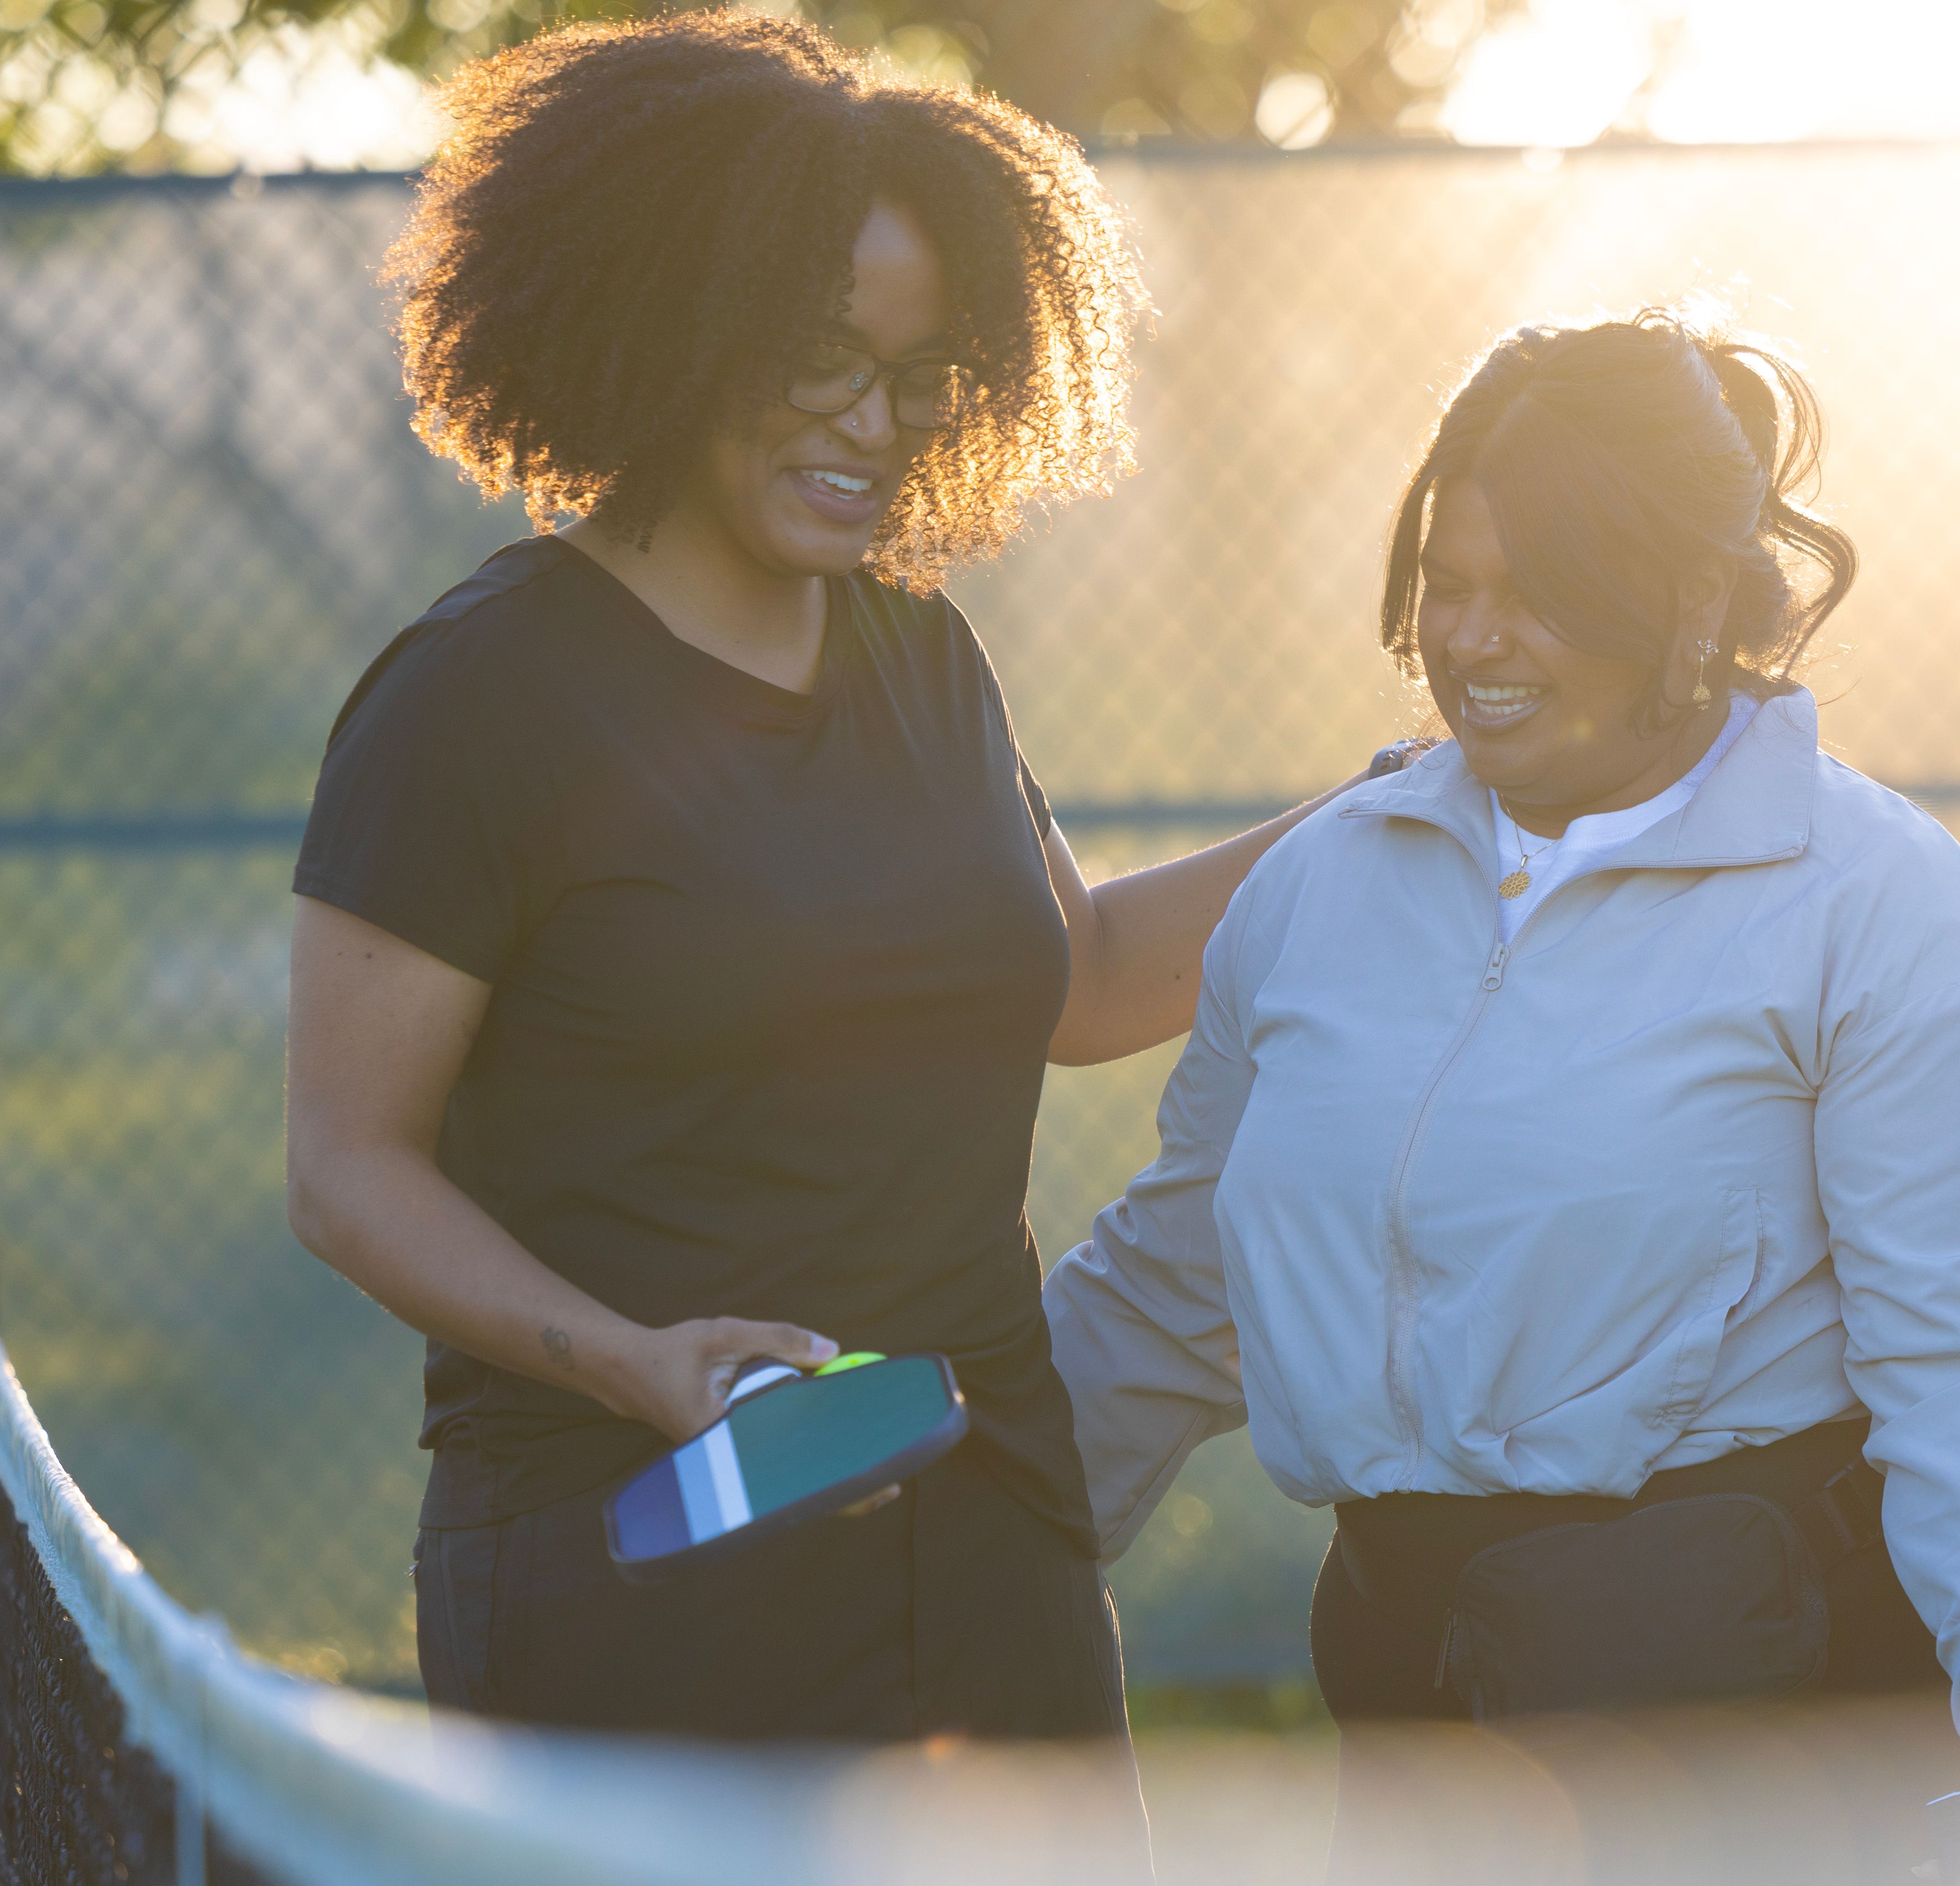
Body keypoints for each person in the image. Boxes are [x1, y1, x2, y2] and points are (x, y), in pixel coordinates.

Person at [284, 13, 1359, 1745]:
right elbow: (348, 1170)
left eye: (923, 369)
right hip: (637, 1544)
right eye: (819, 358)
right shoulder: (477, 698)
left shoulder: (920, 656)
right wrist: (629, 1358)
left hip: (988, 1520)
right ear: (672, 329)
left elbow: (1074, 978)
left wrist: (1374, 820)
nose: (877, 421)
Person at [1044, 310, 1960, 1886]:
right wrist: (960, 1530)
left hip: (1734, 1713)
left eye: (1537, 591)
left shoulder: (1883, 912)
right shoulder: (1325, 885)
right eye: (1446, 583)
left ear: (1691, 605)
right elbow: (1182, 1280)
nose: (1474, 639)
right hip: (1414, 1686)